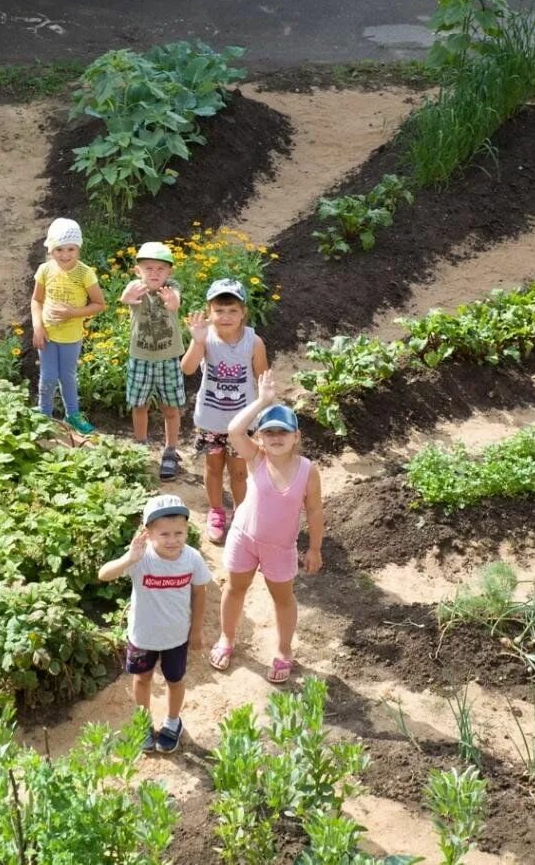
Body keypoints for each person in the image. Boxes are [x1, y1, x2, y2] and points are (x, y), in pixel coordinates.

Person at [207, 371, 324, 683]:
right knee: (235, 588)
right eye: (268, 431)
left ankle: (284, 650)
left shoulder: (307, 471)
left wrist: (314, 548)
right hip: (244, 538)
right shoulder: (256, 458)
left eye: (282, 432)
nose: (275, 437)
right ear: (258, 437)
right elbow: (234, 430)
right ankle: (227, 639)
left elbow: (314, 510)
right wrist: (261, 401)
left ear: (296, 437)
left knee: (282, 598)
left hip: (280, 548)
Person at [97, 494, 209, 754]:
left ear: (187, 530)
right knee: (143, 677)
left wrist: (197, 629)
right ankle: (142, 722)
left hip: (177, 636)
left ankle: (172, 722)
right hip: (143, 636)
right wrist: (129, 558)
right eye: (165, 534)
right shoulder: (141, 559)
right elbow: (103, 575)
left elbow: (200, 592)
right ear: (148, 533)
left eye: (178, 533)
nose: (173, 541)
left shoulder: (191, 558)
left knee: (175, 679)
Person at [181, 278, 268, 546]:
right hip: (211, 419)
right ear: (210, 312)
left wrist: (265, 411)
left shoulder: (254, 342)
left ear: (244, 312)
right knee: (213, 467)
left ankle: (242, 515)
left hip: (242, 423)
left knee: (240, 472)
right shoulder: (205, 338)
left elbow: (262, 376)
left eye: (232, 310)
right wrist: (196, 342)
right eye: (219, 310)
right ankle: (217, 511)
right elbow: (187, 369)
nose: (226, 316)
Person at [30, 217, 105, 434]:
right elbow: (36, 300)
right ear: (50, 249)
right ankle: (44, 413)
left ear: (78, 248)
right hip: (47, 335)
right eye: (59, 249)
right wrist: (38, 327)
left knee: (67, 376)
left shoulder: (85, 273)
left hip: (71, 337)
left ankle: (72, 415)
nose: (65, 255)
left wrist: (73, 313)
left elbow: (99, 304)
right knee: (48, 376)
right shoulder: (45, 270)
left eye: (71, 249)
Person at [120, 242, 185, 479]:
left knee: (170, 407)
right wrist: (128, 296)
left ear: (169, 272)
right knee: (139, 405)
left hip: (168, 358)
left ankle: (170, 450)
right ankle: (140, 445)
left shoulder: (172, 286)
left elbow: (175, 301)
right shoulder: (135, 287)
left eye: (160, 269)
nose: (155, 273)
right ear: (138, 271)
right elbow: (125, 298)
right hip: (140, 357)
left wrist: (171, 301)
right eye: (149, 268)